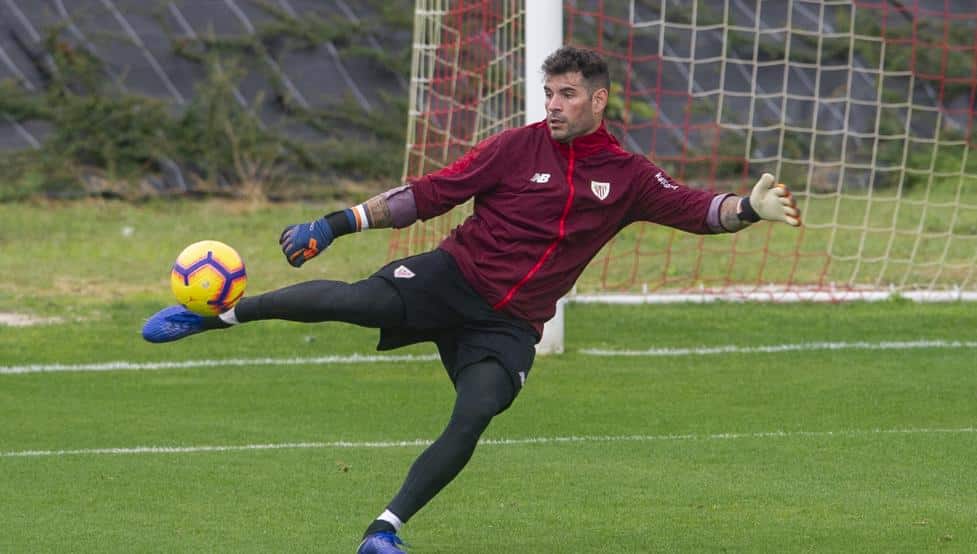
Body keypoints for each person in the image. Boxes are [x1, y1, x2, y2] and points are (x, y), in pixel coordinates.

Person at [142, 46, 801, 553]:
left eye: (567, 94)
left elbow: (693, 208)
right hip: (450, 277)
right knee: (354, 303)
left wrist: (748, 207)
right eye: (548, 93)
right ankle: (219, 315)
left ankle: (384, 528)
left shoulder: (626, 177)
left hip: (510, 323)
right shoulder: (516, 148)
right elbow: (427, 194)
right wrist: (334, 223)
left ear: (598, 101)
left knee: (477, 409)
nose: (554, 104)